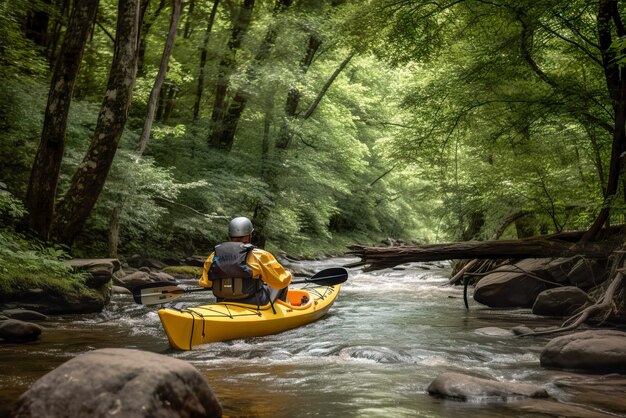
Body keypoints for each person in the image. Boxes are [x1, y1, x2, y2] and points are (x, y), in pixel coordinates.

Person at [198, 216, 292, 306]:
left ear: (230, 235)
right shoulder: (260, 255)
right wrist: (288, 275)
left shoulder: (214, 256)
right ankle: (280, 311)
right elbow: (281, 281)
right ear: (250, 235)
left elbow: (206, 283)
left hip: (223, 301)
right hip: (255, 303)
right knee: (284, 278)